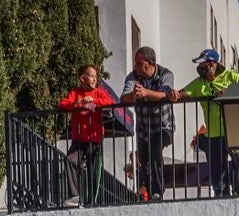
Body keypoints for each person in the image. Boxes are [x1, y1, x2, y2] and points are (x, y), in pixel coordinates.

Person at [181, 49, 239, 197]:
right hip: (214, 134)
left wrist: (228, 91)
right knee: (217, 171)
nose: (199, 68)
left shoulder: (230, 76)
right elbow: (184, 93)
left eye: (202, 65)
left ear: (212, 65)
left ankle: (238, 194)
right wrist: (174, 94)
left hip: (234, 130)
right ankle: (221, 198)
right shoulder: (198, 83)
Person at [123, 46, 177, 202]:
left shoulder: (165, 74)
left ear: (151, 63)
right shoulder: (133, 77)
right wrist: (133, 95)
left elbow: (164, 94)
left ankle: (157, 192)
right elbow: (124, 98)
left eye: (139, 63)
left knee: (155, 151)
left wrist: (145, 92)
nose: (136, 66)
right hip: (143, 128)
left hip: (163, 126)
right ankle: (148, 189)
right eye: (135, 62)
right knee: (144, 160)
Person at [59, 65, 118, 206]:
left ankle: (93, 200)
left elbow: (111, 103)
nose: (94, 79)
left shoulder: (98, 93)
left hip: (95, 139)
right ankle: (74, 195)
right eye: (91, 76)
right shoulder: (76, 92)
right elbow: (63, 104)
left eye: (95, 76)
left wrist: (94, 101)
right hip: (79, 138)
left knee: (93, 170)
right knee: (70, 160)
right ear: (82, 78)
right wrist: (78, 104)